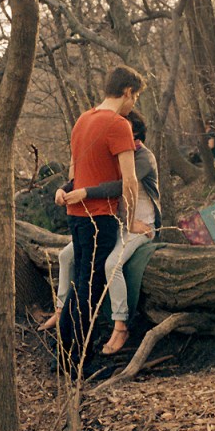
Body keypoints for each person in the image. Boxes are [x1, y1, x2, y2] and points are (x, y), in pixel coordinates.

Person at [40, 109, 161, 354]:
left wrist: (85, 194)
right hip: (117, 222)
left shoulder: (143, 158)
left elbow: (120, 186)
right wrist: (64, 189)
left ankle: (120, 324)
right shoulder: (115, 156)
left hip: (141, 224)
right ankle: (62, 311)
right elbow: (90, 178)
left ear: (135, 134)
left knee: (111, 265)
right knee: (66, 256)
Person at [51, 65, 145, 371]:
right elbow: (130, 181)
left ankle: (64, 358)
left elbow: (75, 172)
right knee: (89, 290)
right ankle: (78, 363)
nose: (134, 104)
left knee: (80, 285)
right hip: (99, 218)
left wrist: (66, 189)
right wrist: (130, 221)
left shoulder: (83, 119)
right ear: (128, 92)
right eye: (136, 97)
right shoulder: (119, 124)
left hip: (76, 216)